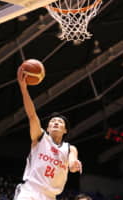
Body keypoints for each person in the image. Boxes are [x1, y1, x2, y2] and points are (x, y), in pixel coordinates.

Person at [14, 66, 82, 200]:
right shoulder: (40, 137)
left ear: (65, 130)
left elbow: (72, 163)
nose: (56, 123)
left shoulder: (69, 148)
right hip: (30, 191)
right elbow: (32, 115)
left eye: (60, 122)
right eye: (52, 122)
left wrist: (74, 165)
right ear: (48, 128)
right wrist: (23, 88)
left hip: (50, 196)